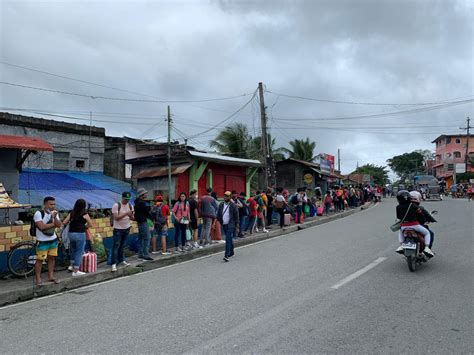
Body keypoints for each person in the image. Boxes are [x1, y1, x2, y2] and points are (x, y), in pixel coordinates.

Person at [62, 199, 96, 277]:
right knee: (79, 251)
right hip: (80, 234)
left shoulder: (72, 213)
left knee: (73, 249)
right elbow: (90, 224)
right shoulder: (85, 214)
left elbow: (64, 222)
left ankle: (71, 265)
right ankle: (76, 270)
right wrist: (84, 227)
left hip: (71, 233)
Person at [34, 196, 62, 286]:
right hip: (42, 241)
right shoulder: (39, 213)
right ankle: (38, 278)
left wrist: (55, 217)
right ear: (45, 204)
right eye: (51, 204)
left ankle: (51, 275)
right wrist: (53, 223)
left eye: (54, 204)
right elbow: (41, 226)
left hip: (53, 239)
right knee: (40, 259)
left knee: (52, 258)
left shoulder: (54, 213)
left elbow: (59, 225)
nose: (53, 206)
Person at [395, 190, 434, 257]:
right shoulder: (414, 206)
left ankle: (401, 245)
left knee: (400, 231)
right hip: (415, 225)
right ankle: (427, 248)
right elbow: (421, 215)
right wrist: (424, 220)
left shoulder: (398, 207)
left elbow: (398, 217)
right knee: (428, 233)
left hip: (404, 226)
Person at [111, 192, 134, 272]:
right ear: (122, 198)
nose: (127, 201)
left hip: (127, 228)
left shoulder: (130, 206)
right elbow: (116, 217)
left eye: (128, 199)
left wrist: (131, 215)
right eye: (125, 199)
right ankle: (113, 263)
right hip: (118, 228)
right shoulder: (116, 205)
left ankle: (122, 260)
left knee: (123, 245)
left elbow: (132, 218)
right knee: (116, 245)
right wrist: (126, 213)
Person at [217, 191, 239, 262]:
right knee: (229, 238)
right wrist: (219, 220)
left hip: (231, 225)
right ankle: (232, 252)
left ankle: (226, 255)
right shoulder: (221, 204)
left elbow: (236, 216)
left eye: (227, 196)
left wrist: (237, 226)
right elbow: (219, 213)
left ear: (230, 197)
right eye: (224, 196)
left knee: (227, 239)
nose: (225, 197)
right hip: (224, 224)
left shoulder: (233, 205)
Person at [134, 188, 154, 261]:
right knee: (147, 237)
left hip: (139, 222)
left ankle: (140, 254)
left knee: (141, 238)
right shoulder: (142, 203)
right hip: (143, 221)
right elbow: (146, 213)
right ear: (142, 195)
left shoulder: (137, 202)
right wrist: (152, 218)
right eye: (145, 193)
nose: (146, 194)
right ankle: (145, 254)